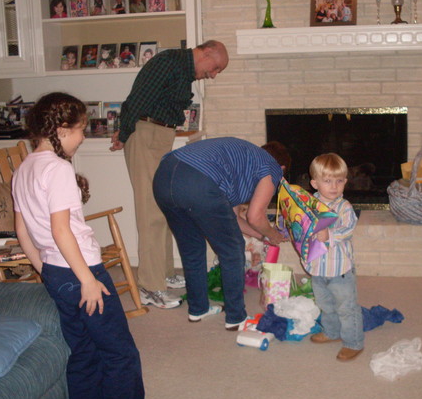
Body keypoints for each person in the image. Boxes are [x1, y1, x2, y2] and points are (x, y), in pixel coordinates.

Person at [12, 92, 144, 399]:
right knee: (120, 355)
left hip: (57, 272)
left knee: (83, 355)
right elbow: (61, 230)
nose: (83, 138)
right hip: (82, 271)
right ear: (62, 129)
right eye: (82, 130)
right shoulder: (57, 169)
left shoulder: (24, 169)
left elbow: (22, 231)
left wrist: (46, 270)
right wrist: (86, 279)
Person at [110, 40, 229, 309]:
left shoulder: (182, 70)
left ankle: (163, 273)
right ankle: (149, 287)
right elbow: (136, 101)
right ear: (206, 52)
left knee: (164, 207)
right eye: (215, 67)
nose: (213, 74)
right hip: (146, 135)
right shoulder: (168, 63)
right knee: (150, 211)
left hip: (159, 135)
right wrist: (125, 133)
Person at [153, 137, 291, 329]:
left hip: (164, 177)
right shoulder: (272, 167)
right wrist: (273, 234)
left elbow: (234, 220)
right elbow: (255, 216)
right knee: (233, 250)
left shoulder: (242, 164)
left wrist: (262, 236)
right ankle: (236, 317)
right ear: (282, 169)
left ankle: (198, 309)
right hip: (197, 179)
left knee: (192, 249)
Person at [304, 153, 364, 361]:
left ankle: (353, 342)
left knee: (346, 307)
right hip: (318, 269)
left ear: (345, 182)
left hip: (340, 270)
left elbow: (348, 229)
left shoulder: (344, 207)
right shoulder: (310, 204)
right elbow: (303, 227)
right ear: (315, 183)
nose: (334, 186)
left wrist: (328, 234)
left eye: (339, 181)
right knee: (326, 304)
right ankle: (332, 331)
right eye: (327, 181)